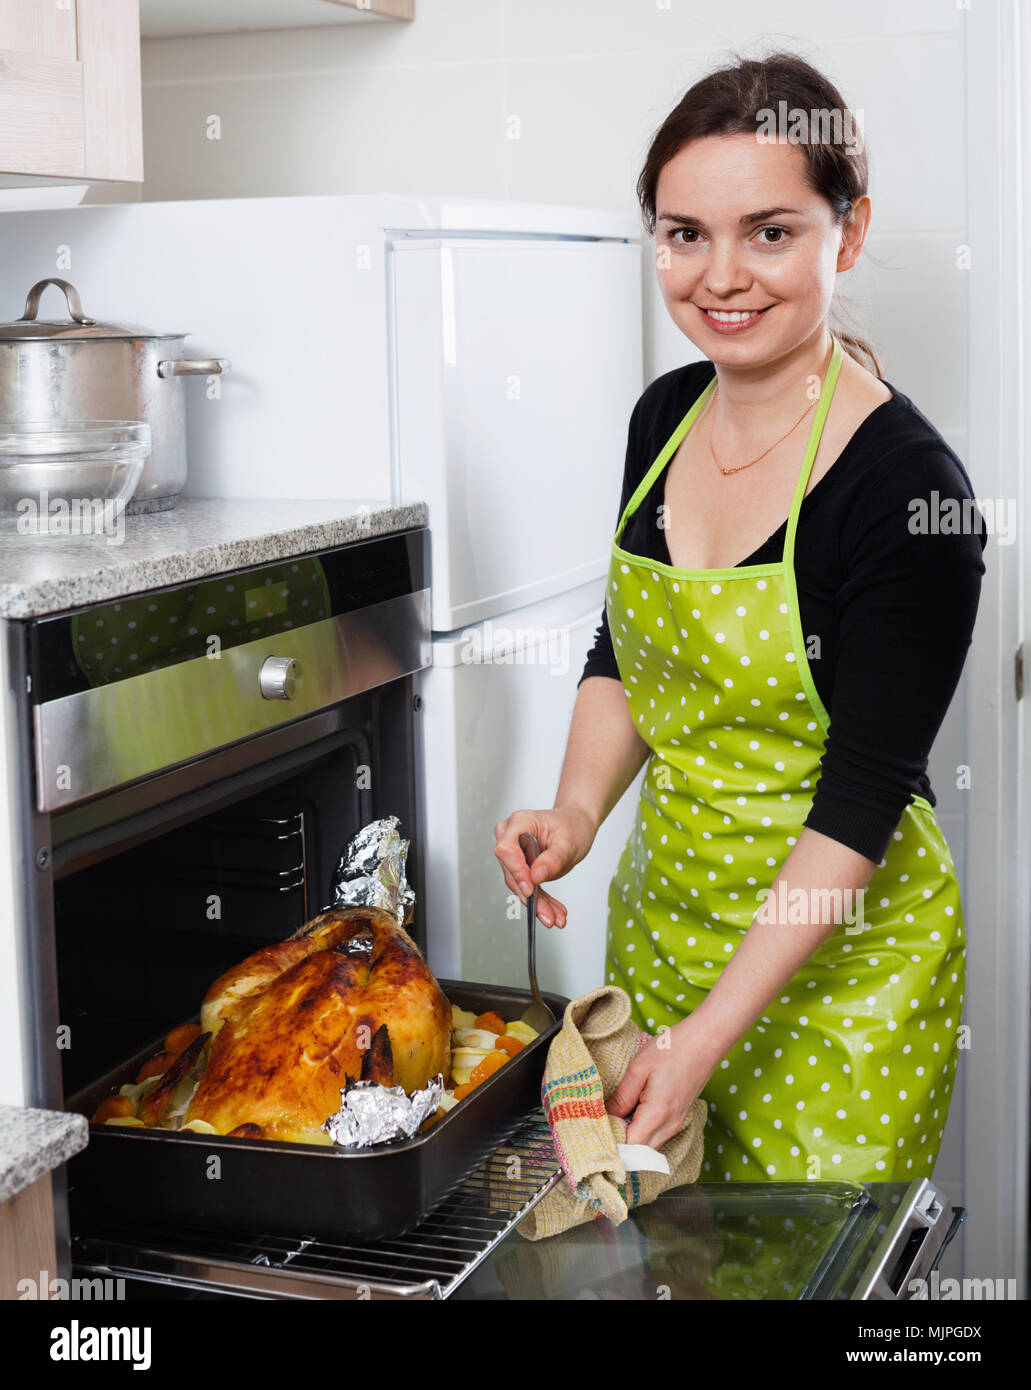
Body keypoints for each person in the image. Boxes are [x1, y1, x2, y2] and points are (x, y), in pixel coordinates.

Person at [492, 51, 985, 1183]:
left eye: (769, 231)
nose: (720, 275)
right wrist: (572, 812)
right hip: (666, 937)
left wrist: (706, 1039)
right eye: (682, 234)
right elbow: (628, 645)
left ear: (844, 234)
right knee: (673, 1265)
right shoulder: (662, 415)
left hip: (840, 987)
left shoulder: (908, 492)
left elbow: (859, 806)